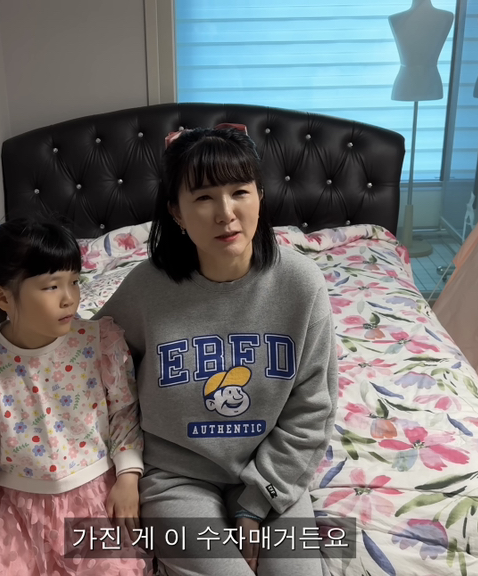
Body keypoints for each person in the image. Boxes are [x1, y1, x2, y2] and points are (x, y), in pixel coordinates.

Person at [94, 125, 339, 576]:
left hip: (273, 472)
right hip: (176, 477)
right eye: (204, 197)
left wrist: (255, 504)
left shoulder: (301, 285)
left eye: (240, 192)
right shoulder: (146, 290)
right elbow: (87, 365)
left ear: (260, 197)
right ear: (177, 212)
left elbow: (312, 409)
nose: (226, 214)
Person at [0, 217, 153, 576]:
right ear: (2, 297)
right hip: (17, 512)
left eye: (75, 281)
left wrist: (128, 476)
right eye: (51, 286)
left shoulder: (100, 343)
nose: (70, 298)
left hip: (95, 497)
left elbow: (124, 414)